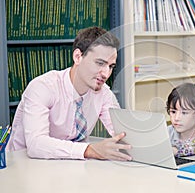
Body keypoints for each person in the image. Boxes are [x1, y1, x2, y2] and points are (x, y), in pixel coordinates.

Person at [7, 26, 132, 161]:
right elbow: (36, 144)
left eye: (111, 66)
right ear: (78, 57)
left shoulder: (103, 93)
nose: (106, 74)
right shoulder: (43, 87)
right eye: (100, 63)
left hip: (70, 167)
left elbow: (121, 133)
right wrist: (89, 150)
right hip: (24, 166)